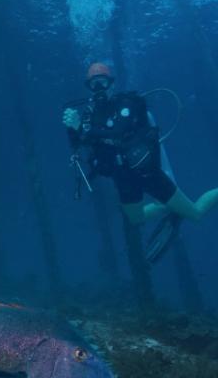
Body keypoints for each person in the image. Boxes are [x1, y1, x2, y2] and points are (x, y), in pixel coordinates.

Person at [63, 62, 218, 261]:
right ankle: (170, 208)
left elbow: (119, 133)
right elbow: (80, 143)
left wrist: (83, 128)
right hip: (122, 178)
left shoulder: (129, 103)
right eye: (94, 85)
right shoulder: (89, 116)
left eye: (102, 82)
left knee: (195, 214)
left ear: (111, 84)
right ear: (89, 88)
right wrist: (72, 128)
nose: (99, 88)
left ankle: (179, 208)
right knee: (136, 218)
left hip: (147, 172)